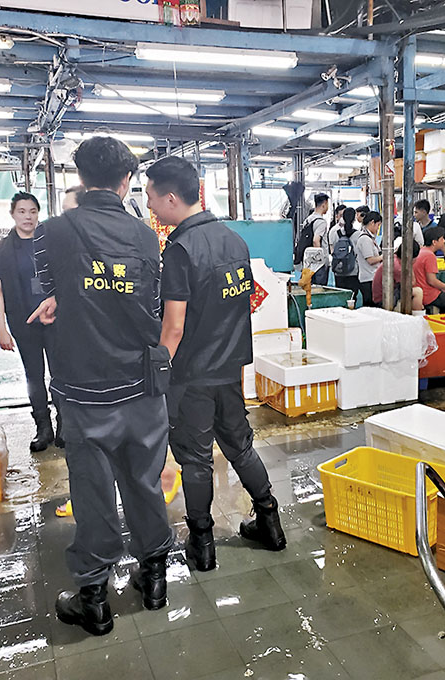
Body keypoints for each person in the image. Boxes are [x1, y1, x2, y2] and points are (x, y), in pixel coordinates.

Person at [28, 136, 174, 635]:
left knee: (92, 491)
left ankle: (94, 598)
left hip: (82, 390)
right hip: (140, 385)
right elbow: (150, 305)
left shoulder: (51, 232)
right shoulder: (145, 237)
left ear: (81, 178)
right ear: (128, 180)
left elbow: (51, 292)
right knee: (144, 482)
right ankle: (154, 577)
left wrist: (61, 303)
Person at [151, 156, 286, 573]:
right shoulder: (235, 241)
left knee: (195, 458)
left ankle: (202, 543)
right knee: (240, 445)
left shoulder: (179, 250)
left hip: (191, 374)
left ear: (171, 197)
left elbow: (172, 328)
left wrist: (155, 376)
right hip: (230, 368)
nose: (151, 207)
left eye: (152, 197)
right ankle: (270, 522)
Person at [0, 192, 62, 453]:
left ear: (38, 214)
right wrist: (1, 329)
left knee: (60, 373)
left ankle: (64, 424)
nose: (27, 217)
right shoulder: (0, 250)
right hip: (23, 321)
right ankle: (43, 427)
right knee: (34, 375)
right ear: (12, 214)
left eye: (32, 211)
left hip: (55, 320)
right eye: (22, 211)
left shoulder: (51, 243)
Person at [414, 226, 445, 312]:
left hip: (422, 291)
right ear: (434, 242)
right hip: (429, 295)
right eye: (442, 239)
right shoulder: (429, 256)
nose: (444, 241)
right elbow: (432, 281)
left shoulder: (421, 251)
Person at [372, 239, 423, 310]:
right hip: (382, 300)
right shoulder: (397, 267)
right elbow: (412, 283)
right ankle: (416, 316)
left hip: (384, 294)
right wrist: (410, 265)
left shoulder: (394, 258)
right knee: (418, 292)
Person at [329, 207, 361, 299]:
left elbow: (333, 250)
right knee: (352, 298)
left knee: (341, 297)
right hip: (353, 271)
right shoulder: (358, 234)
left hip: (338, 270)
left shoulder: (335, 232)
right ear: (354, 219)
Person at [355, 210, 383, 307]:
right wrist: (384, 257)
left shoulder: (370, 238)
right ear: (372, 223)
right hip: (368, 279)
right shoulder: (365, 239)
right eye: (378, 225)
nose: (378, 228)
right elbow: (370, 260)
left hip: (372, 277)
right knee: (371, 306)